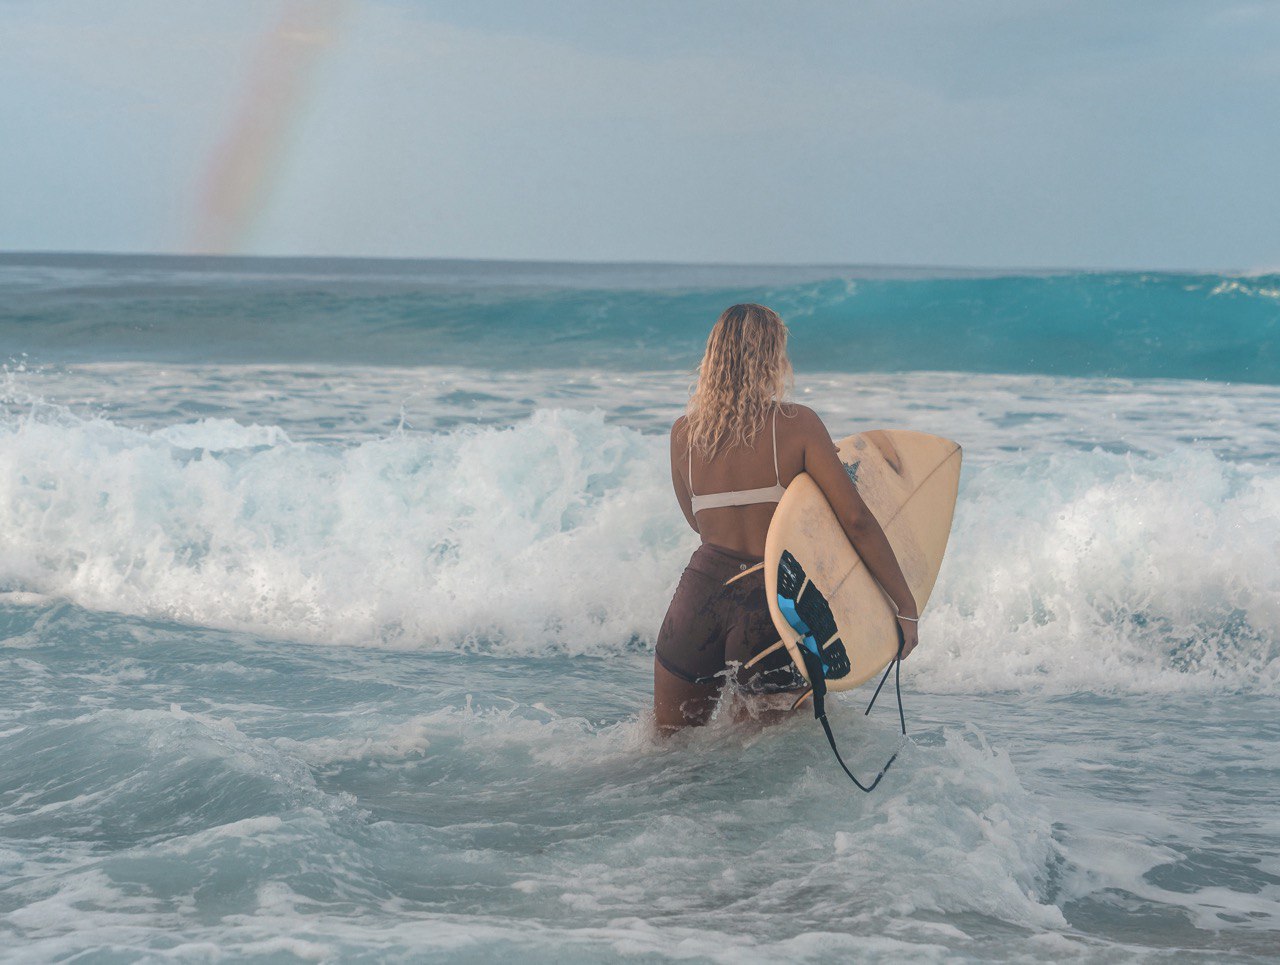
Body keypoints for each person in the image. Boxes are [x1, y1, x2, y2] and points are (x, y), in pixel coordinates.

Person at [653, 303, 920, 731]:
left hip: (697, 598)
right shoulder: (797, 425)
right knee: (758, 768)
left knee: (664, 754)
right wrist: (905, 606)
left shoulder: (684, 432)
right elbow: (856, 520)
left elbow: (697, 522)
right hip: (768, 608)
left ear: (713, 356)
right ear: (770, 356)